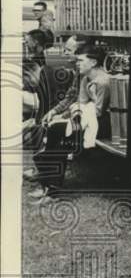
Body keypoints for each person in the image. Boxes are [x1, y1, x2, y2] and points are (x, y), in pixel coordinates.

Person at [27, 42, 112, 202]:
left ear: (93, 62)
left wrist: (69, 118)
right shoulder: (85, 78)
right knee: (54, 130)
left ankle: (51, 190)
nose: (76, 63)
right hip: (88, 119)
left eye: (80, 60)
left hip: (103, 124)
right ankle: (48, 187)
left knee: (60, 138)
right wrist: (62, 116)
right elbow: (79, 105)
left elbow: (99, 112)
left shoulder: (103, 82)